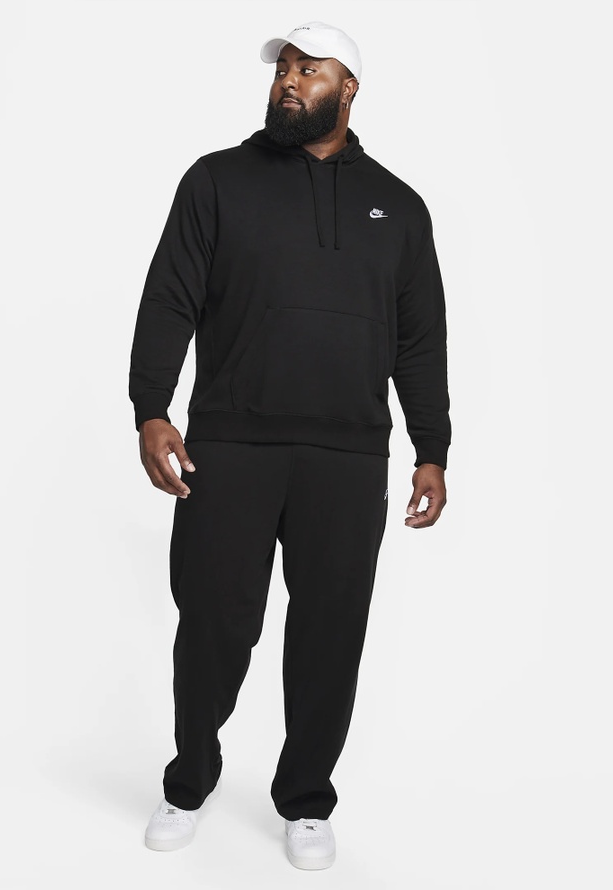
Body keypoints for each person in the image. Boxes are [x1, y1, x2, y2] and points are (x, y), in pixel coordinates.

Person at [130, 20, 451, 871]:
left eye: (311, 70)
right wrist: (151, 408)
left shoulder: (399, 207)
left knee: (330, 635)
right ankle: (189, 780)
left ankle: (306, 800)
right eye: (285, 69)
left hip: (348, 456)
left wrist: (431, 446)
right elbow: (169, 298)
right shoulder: (216, 181)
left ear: (349, 90)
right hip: (231, 443)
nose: (290, 81)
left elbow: (420, 339)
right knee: (213, 624)